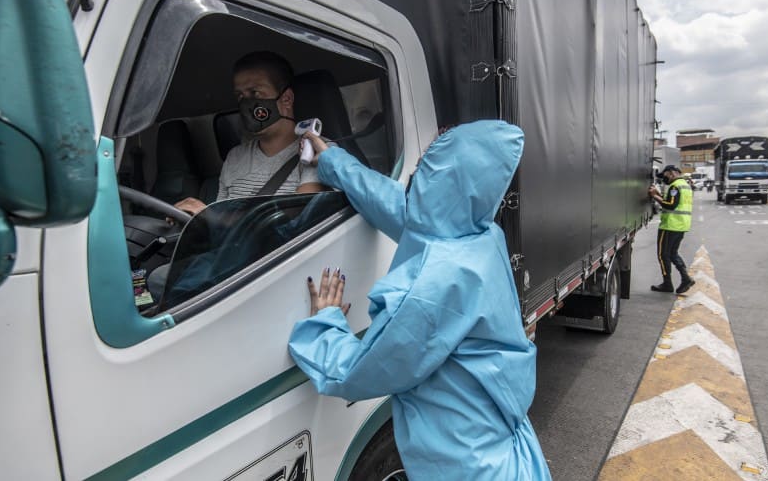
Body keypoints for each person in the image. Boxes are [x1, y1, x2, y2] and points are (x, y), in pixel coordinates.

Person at [288, 121, 552, 480]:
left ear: (442, 178)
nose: (418, 167)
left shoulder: (434, 286)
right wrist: (332, 160)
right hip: (496, 443)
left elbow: (362, 371)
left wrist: (324, 325)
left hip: (467, 467)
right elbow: (400, 207)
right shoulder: (480, 235)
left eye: (428, 162)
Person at [174, 51, 324, 216]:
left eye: (255, 93)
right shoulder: (235, 157)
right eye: (240, 96)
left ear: (286, 99)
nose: (246, 103)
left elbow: (300, 222)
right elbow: (222, 217)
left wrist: (211, 218)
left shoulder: (318, 151)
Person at [648, 164, 695, 294]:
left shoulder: (675, 186)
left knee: (663, 255)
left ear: (672, 173)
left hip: (670, 226)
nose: (665, 178)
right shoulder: (685, 185)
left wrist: (654, 196)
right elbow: (673, 201)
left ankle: (667, 283)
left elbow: (670, 205)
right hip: (681, 225)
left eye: (666, 175)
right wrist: (658, 194)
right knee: (673, 253)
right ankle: (685, 278)